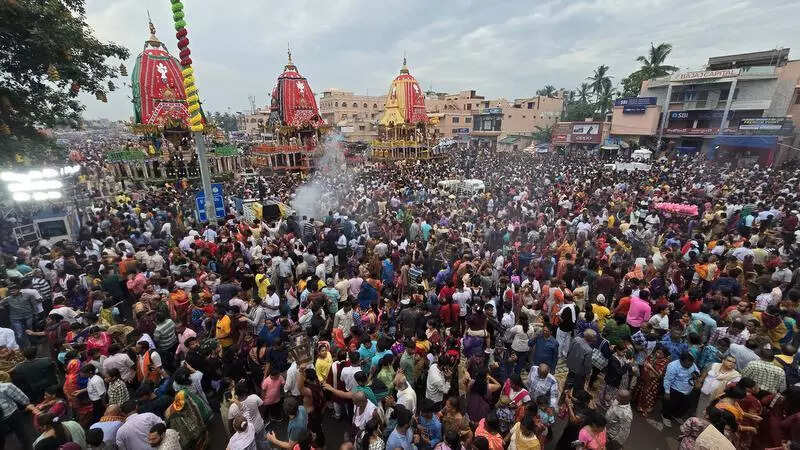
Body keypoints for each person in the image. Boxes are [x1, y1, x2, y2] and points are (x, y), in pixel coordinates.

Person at [662, 352, 700, 428]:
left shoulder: (691, 363)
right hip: (675, 389)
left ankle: (676, 415)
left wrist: (696, 374)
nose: (690, 366)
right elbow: (667, 380)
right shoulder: (673, 366)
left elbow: (697, 370)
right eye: (688, 364)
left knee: (684, 405)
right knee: (671, 405)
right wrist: (667, 392)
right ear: (681, 361)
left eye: (691, 364)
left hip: (688, 389)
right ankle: (665, 417)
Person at [0, 372, 37, 450]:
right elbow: (22, 398)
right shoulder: (6, 386)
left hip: (1, 419)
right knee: (21, 433)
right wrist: (27, 404)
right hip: (12, 414)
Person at [565, 329, 596, 395]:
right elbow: (587, 365)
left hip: (571, 366)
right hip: (580, 372)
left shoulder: (576, 339)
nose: (595, 339)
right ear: (591, 339)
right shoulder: (589, 350)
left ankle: (562, 398)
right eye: (594, 338)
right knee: (578, 389)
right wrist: (588, 374)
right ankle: (574, 399)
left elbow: (569, 350)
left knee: (567, 385)